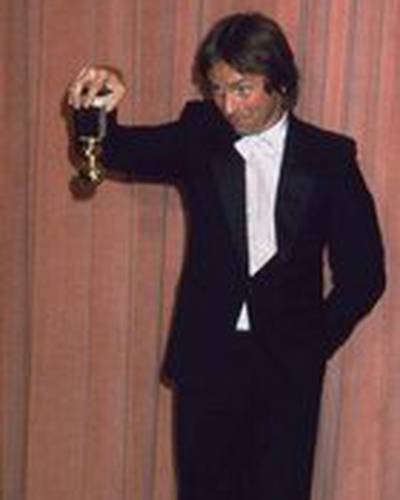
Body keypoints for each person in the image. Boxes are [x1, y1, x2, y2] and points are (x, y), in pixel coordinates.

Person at [68, 12, 386, 500]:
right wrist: (95, 108)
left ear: (280, 83)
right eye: (217, 90)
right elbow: (119, 151)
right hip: (206, 365)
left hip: (287, 374)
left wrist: (311, 344)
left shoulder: (330, 158)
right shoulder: (201, 134)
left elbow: (364, 275)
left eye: (242, 89)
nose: (228, 106)